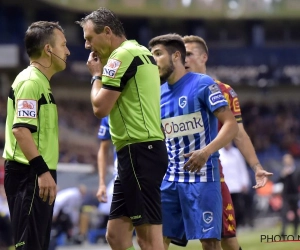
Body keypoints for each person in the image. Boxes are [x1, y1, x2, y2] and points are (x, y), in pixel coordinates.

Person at [76, 7, 168, 250]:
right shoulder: (140, 51)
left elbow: (100, 108)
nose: (87, 46)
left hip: (139, 151)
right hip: (136, 153)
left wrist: (96, 76)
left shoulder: (121, 56)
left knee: (149, 240)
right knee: (115, 235)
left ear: (107, 32)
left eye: (89, 38)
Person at [181, 35, 273, 250]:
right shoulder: (169, 91)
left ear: (204, 57)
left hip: (210, 174)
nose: (183, 59)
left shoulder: (223, 92)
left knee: (224, 240)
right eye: (179, 55)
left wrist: (256, 167)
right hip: (175, 175)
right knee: (161, 236)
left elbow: (238, 133)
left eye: (188, 54)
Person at [149, 33, 239, 250]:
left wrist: (205, 152)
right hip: (170, 180)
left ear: (176, 55)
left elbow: (231, 125)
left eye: (158, 54)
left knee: (209, 244)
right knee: (157, 240)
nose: (154, 61)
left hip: (202, 178)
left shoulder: (203, 84)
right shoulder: (157, 93)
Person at [2, 21, 70, 250]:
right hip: (29, 174)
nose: (68, 51)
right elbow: (21, 130)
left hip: (37, 174)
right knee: (29, 245)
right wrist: (42, 171)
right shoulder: (30, 82)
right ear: (48, 49)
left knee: (37, 245)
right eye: (63, 44)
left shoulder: (41, 83)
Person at [219, 142, 250, 228]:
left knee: (238, 207)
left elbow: (242, 168)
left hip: (237, 186)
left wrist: (245, 182)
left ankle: (238, 224)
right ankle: (227, 225)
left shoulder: (236, 153)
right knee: (226, 208)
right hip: (225, 186)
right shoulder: (219, 153)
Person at [277, 153, 300, 236]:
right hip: (286, 195)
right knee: (284, 213)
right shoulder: (283, 171)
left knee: (295, 214)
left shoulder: (297, 170)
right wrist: (283, 175)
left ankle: (295, 232)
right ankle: (283, 232)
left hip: (295, 195)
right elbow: (277, 181)